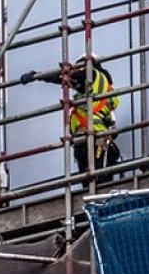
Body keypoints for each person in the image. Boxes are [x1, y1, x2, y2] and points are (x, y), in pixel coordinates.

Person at [21, 54, 121, 186]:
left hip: (93, 139)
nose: (77, 70)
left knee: (94, 183)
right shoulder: (101, 89)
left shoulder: (93, 75)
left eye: (79, 67)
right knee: (93, 182)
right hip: (92, 140)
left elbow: (68, 78)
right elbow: (114, 126)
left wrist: (38, 76)